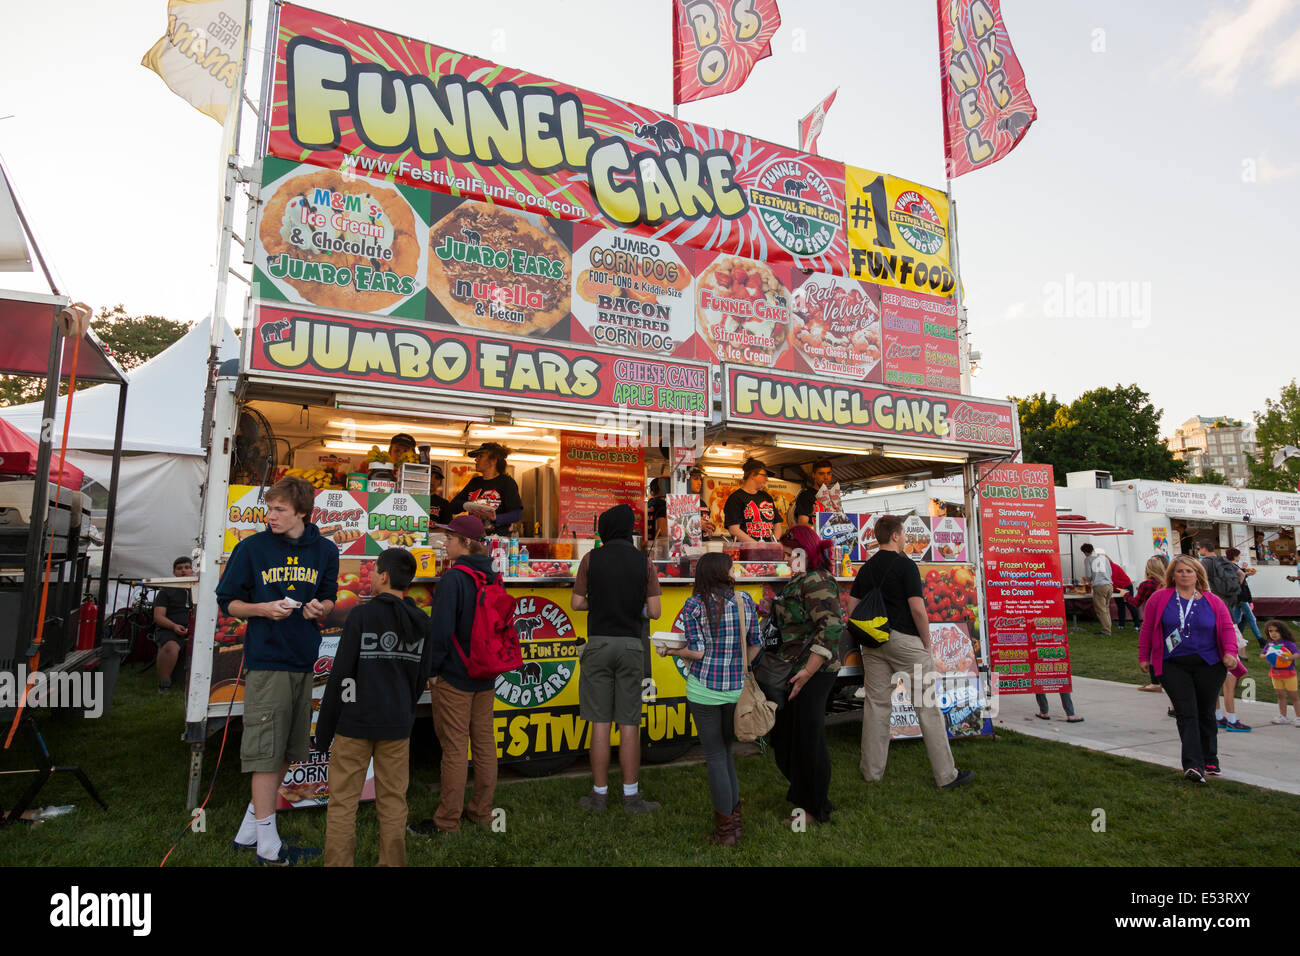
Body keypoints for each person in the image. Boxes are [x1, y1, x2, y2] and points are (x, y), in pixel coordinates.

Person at [218, 476, 338, 864]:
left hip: (304, 658)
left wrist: (322, 607)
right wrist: (261, 610)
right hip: (267, 660)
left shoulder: (324, 550)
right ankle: (268, 847)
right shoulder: (251, 548)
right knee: (266, 753)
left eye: (279, 510)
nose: (270, 516)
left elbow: (330, 594)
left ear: (302, 512)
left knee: (288, 747)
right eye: (269, 509)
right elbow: (228, 603)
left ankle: (251, 829)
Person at [316, 548, 433, 866]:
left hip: (355, 721)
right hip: (396, 725)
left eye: (376, 571)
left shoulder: (362, 615)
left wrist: (324, 731)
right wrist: (403, 710)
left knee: (342, 802)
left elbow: (342, 674)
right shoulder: (422, 621)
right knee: (394, 800)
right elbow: (421, 676)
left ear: (383, 576)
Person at [849, 514, 972, 791]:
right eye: (904, 533)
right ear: (894, 535)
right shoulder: (906, 565)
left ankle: (871, 773)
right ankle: (946, 775)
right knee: (927, 707)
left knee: (876, 706)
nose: (906, 538)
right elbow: (917, 609)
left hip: (872, 644)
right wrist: (927, 641)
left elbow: (852, 609)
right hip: (906, 642)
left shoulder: (866, 568)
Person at [656, 553, 761, 845]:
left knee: (715, 756)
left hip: (703, 688)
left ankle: (725, 832)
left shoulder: (694, 604)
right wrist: (739, 669)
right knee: (726, 754)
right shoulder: (744, 601)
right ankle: (734, 825)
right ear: (724, 572)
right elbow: (756, 645)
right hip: (735, 689)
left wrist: (670, 651)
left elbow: (698, 652)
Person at [408, 516, 501, 835]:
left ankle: (447, 821)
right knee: (485, 743)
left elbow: (442, 630)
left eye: (449, 539)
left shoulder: (453, 579)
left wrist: (431, 670)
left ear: (465, 543)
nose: (444, 543)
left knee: (455, 747)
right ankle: (482, 812)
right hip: (486, 672)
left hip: (456, 675)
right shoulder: (492, 576)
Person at [571, 504, 662, 813]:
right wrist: (631, 607)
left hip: (597, 645)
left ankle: (598, 796)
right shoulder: (645, 563)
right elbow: (655, 612)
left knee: (599, 723)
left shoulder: (590, 559)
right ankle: (632, 797)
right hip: (630, 647)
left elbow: (577, 603)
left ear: (605, 531)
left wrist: (599, 604)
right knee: (628, 724)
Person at [1138, 554, 1241, 782]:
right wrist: (1143, 655)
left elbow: (1226, 628)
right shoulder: (1160, 598)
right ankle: (1194, 765)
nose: (1184, 575)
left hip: (1209, 664)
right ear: (1172, 575)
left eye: (1189, 571)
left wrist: (1230, 653)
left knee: (1206, 712)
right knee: (1187, 712)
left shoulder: (1212, 600)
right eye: (1180, 571)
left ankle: (1210, 758)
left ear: (1198, 575)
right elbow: (1147, 628)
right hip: (1172, 664)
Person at [767, 524, 844, 824]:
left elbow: (832, 627)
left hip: (815, 671)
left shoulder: (816, 580)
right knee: (788, 737)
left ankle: (813, 808)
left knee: (808, 739)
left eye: (789, 554)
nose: (786, 559)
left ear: (803, 551)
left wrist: (808, 673)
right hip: (796, 669)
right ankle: (809, 794)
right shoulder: (801, 579)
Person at [1197, 540, 1250, 732]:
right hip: (1227, 615)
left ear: (1203, 549)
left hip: (1208, 617)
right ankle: (1232, 719)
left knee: (1214, 673)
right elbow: (1241, 575)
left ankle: (1218, 716)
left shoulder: (1202, 565)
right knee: (1230, 675)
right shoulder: (1225, 562)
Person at [448, 442, 523, 536]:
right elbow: (452, 507)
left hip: (497, 540)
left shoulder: (507, 482)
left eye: (480, 456)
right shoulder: (474, 482)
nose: (476, 460)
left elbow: (517, 514)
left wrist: (496, 518)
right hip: (473, 538)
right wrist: (466, 505)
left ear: (493, 460)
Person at [152, 555, 194, 693]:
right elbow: (158, 617)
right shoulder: (165, 591)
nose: (183, 571)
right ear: (174, 572)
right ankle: (164, 683)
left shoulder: (199, 590)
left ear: (192, 570)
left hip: (196, 629)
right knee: (171, 646)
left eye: (187, 567)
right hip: (169, 630)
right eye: (179, 568)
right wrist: (174, 626)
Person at [724, 458, 783, 543]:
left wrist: (775, 542)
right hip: (746, 551)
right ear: (752, 475)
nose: (766, 479)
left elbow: (777, 522)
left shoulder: (766, 497)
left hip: (768, 550)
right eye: (764, 475)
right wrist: (756, 546)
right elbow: (734, 529)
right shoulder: (736, 498)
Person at [1135, 554, 1169, 693]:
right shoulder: (1166, 584)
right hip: (1168, 620)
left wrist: (1125, 595)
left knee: (1153, 649)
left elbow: (1136, 602)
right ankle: (1165, 680)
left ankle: (1155, 682)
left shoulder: (1147, 584)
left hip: (1153, 621)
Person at [1261, 620, 1300, 726]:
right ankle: (1283, 716)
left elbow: (1297, 654)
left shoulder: (1288, 643)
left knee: (1294, 696)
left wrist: (1289, 657)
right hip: (1275, 674)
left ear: (1282, 631)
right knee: (1280, 695)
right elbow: (1262, 655)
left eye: (1276, 631)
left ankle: (1298, 717)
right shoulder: (1270, 645)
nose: (1273, 633)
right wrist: (1268, 655)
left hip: (1289, 674)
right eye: (1270, 631)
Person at [1226, 547, 1263, 648]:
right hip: (1240, 595)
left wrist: (1245, 572)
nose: (1239, 557)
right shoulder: (1232, 566)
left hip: (1237, 596)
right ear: (1234, 556)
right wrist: (1245, 574)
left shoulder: (1230, 566)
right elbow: (1238, 579)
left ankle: (1236, 637)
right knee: (1251, 618)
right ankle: (1261, 639)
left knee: (1237, 619)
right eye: (1238, 555)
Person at [1080, 543, 1113, 636]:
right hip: (1109, 585)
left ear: (1085, 552)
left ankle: (1106, 631)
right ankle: (1108, 628)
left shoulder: (1088, 559)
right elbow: (1110, 572)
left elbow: (1089, 575)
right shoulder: (1104, 558)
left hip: (1099, 586)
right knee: (1106, 608)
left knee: (1101, 610)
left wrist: (1087, 580)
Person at [791, 459, 834, 526]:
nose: (826, 477)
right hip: (814, 536)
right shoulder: (805, 496)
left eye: (828, 473)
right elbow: (803, 524)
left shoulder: (833, 496)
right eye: (821, 474)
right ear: (813, 475)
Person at [1107, 554, 1141, 630]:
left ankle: (1137, 625)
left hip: (1126, 586)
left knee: (1130, 605)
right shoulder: (1107, 569)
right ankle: (1121, 625)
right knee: (1120, 606)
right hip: (1117, 589)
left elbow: (1111, 581)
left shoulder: (1113, 568)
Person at [689, 466, 716, 538]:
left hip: (703, 543)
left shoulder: (702, 503)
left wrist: (710, 527)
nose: (699, 482)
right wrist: (698, 525)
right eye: (695, 479)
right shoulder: (680, 503)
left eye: (700, 479)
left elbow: (706, 521)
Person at [646, 476, 668, 544]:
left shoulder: (648, 504)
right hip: (658, 546)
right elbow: (662, 532)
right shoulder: (663, 505)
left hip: (647, 543)